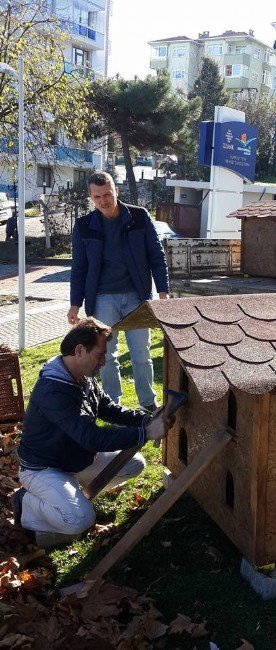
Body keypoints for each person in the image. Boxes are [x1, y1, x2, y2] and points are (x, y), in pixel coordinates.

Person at [13, 318, 172, 548]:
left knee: (134, 463)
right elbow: (92, 437)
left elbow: (109, 409)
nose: (104, 361)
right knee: (81, 519)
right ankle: (25, 502)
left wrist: (147, 418)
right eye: (100, 354)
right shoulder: (52, 390)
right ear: (79, 351)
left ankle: (67, 496)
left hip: (76, 460)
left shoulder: (83, 378)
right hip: (43, 469)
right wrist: (146, 432)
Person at [67, 171, 169, 411]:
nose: (104, 200)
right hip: (101, 299)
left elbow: (157, 256)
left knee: (141, 352)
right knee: (105, 355)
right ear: (91, 198)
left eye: (108, 194)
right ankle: (113, 405)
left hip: (136, 296)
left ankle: (148, 403)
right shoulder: (84, 226)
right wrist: (75, 303)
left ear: (116, 191)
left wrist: (163, 291)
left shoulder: (139, 217)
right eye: (97, 196)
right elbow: (79, 267)